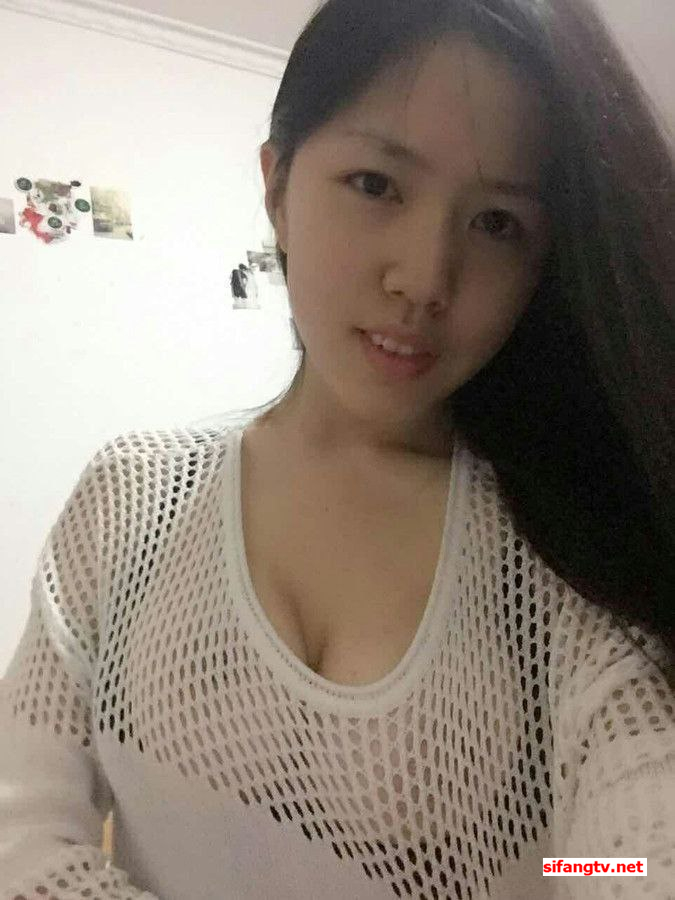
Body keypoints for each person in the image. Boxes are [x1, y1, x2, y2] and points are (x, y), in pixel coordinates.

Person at [1, 0, 674, 898]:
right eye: (375, 184)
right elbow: (20, 825)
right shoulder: (132, 497)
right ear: (276, 187)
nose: (424, 279)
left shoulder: (563, 543)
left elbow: (634, 855)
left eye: (496, 223)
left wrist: (551, 875)